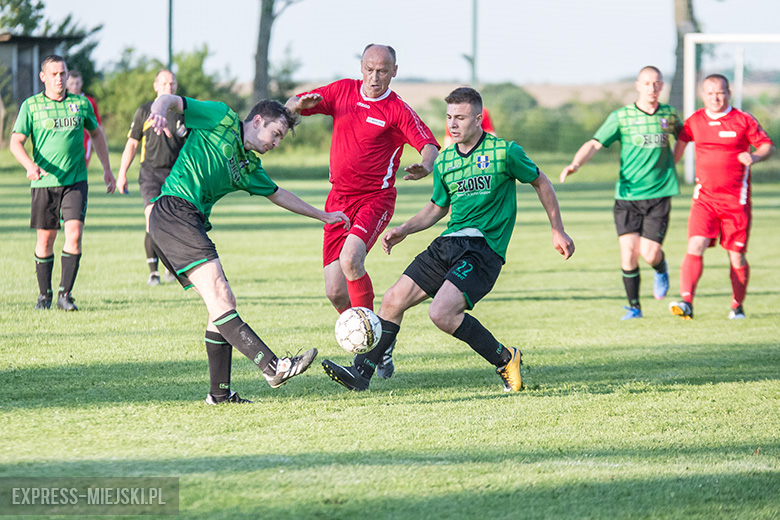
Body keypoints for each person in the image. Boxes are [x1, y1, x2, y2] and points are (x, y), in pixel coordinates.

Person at [321, 87, 575, 393]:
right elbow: (437, 207)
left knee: (441, 313)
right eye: (449, 117)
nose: (453, 124)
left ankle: (506, 359)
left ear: (479, 119)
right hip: (448, 244)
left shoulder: (504, 152)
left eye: (461, 118)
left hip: (483, 250)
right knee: (392, 301)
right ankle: (361, 374)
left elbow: (541, 182)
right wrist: (405, 229)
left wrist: (557, 229)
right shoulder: (446, 161)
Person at [147, 93, 350, 404]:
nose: (276, 143)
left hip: (187, 220)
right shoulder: (222, 117)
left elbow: (279, 194)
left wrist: (322, 216)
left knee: (220, 306)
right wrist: (158, 110)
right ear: (258, 121)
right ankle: (274, 367)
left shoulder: (248, 166)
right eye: (276, 134)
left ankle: (219, 395)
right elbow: (171, 100)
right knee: (221, 295)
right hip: (175, 210)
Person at [286, 43, 440, 379]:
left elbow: (428, 145)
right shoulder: (342, 91)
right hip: (338, 200)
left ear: (394, 71)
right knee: (335, 291)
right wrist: (295, 106)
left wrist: (426, 166)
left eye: (382, 70)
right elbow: (293, 105)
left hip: (375, 199)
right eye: (369, 69)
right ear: (361, 67)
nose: (374, 77)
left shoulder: (397, 110)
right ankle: (377, 344)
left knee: (351, 259)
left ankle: (371, 350)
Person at [560, 66, 681, 320]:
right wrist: (575, 164)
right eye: (647, 83)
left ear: (662, 86)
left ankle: (660, 267)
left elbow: (684, 138)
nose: (652, 88)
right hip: (627, 196)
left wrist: (674, 162)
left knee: (648, 253)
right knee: (628, 252)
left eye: (657, 83)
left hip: (659, 194)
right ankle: (634, 307)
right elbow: (595, 143)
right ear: (638, 85)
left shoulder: (669, 115)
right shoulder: (622, 117)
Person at [10, 55, 116, 311]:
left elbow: (97, 133)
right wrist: (30, 166)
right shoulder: (31, 106)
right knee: (46, 240)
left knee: (75, 234)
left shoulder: (81, 104)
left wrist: (107, 169)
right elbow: (16, 142)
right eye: (54, 74)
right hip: (44, 183)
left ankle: (65, 295)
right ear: (43, 77)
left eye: (63, 74)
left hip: (75, 180)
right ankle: (44, 296)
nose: (60, 79)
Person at [669, 74, 775, 320]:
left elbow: (767, 146)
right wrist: (667, 169)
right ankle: (687, 303)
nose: (715, 97)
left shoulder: (743, 120)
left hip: (736, 202)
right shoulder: (695, 121)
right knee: (695, 245)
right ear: (702, 94)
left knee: (736, 254)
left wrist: (756, 157)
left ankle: (737, 306)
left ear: (728, 92)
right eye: (710, 93)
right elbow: (680, 145)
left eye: (720, 92)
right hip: (704, 199)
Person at [116, 70, 187, 286]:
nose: (168, 87)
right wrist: (121, 174)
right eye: (164, 83)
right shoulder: (145, 111)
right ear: (156, 86)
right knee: (152, 218)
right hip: (150, 173)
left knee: (173, 223)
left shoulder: (184, 114)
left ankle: (169, 266)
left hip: (175, 175)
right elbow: (132, 144)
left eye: (172, 83)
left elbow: (190, 147)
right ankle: (153, 272)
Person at [66, 70, 103, 168]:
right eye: (72, 83)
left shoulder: (89, 101)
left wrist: (100, 144)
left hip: (85, 141)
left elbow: (98, 124)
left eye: (77, 83)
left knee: (81, 170)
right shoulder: (62, 101)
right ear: (66, 84)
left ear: (81, 83)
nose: (75, 86)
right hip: (66, 142)